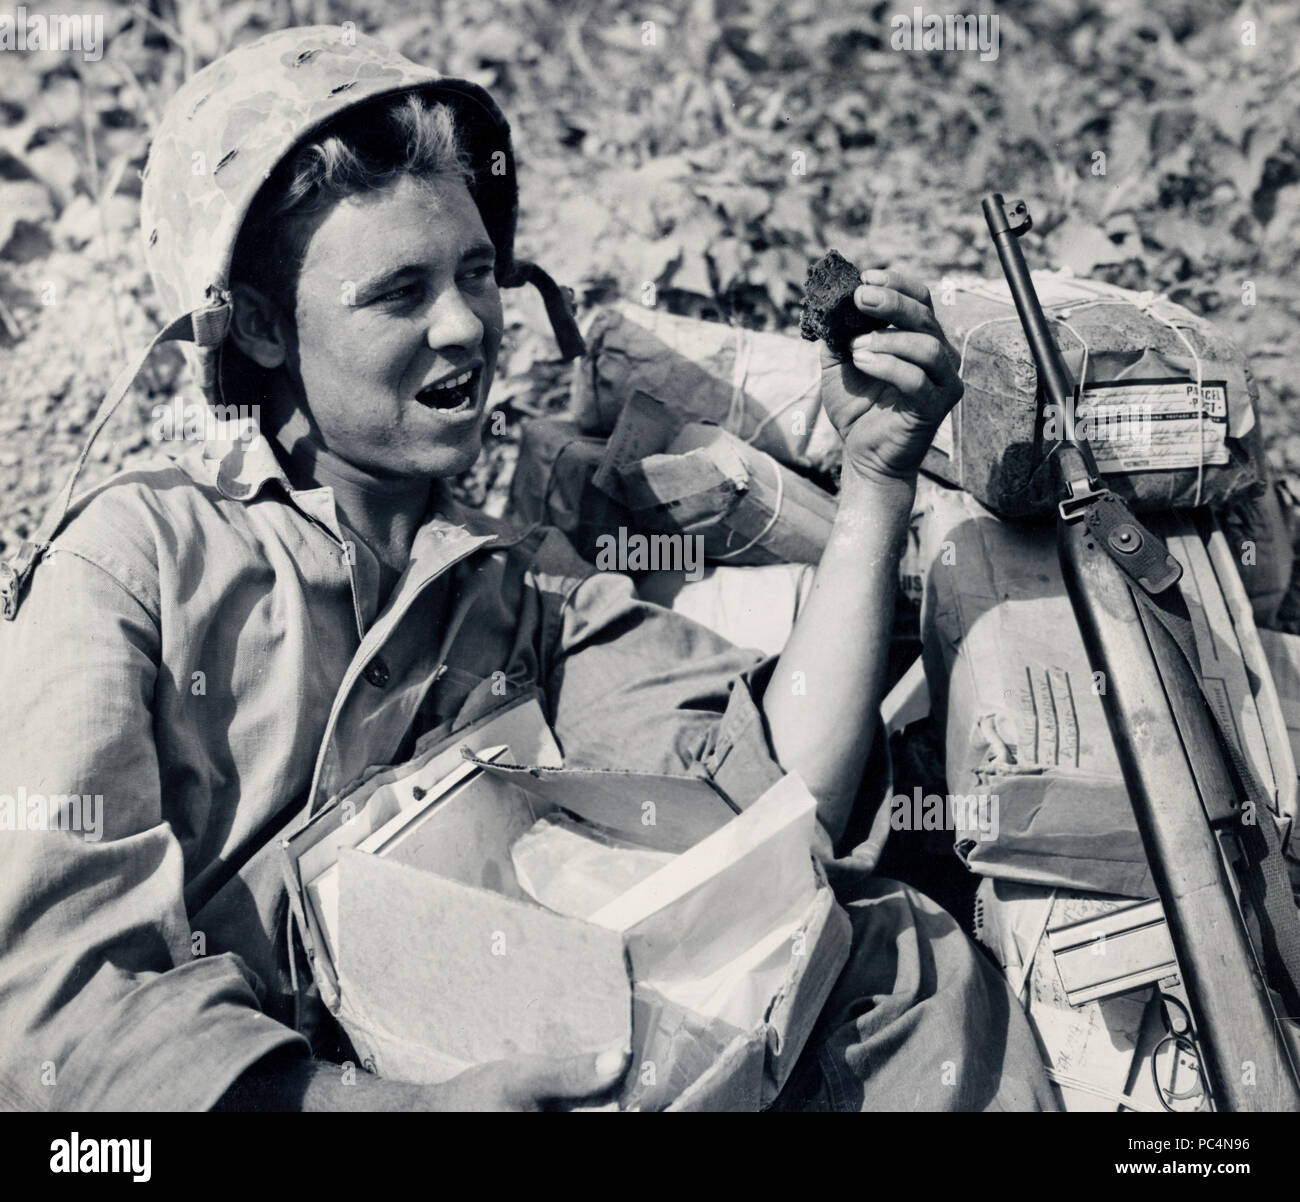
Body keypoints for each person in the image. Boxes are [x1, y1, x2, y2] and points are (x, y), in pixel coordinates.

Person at [0, 26, 1055, 1112]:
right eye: (399, 292)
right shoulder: (134, 566)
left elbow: (783, 808)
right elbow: (60, 1013)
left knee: (893, 951)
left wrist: (877, 484)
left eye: (473, 273)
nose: (466, 325)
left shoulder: (519, 585)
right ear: (261, 329)